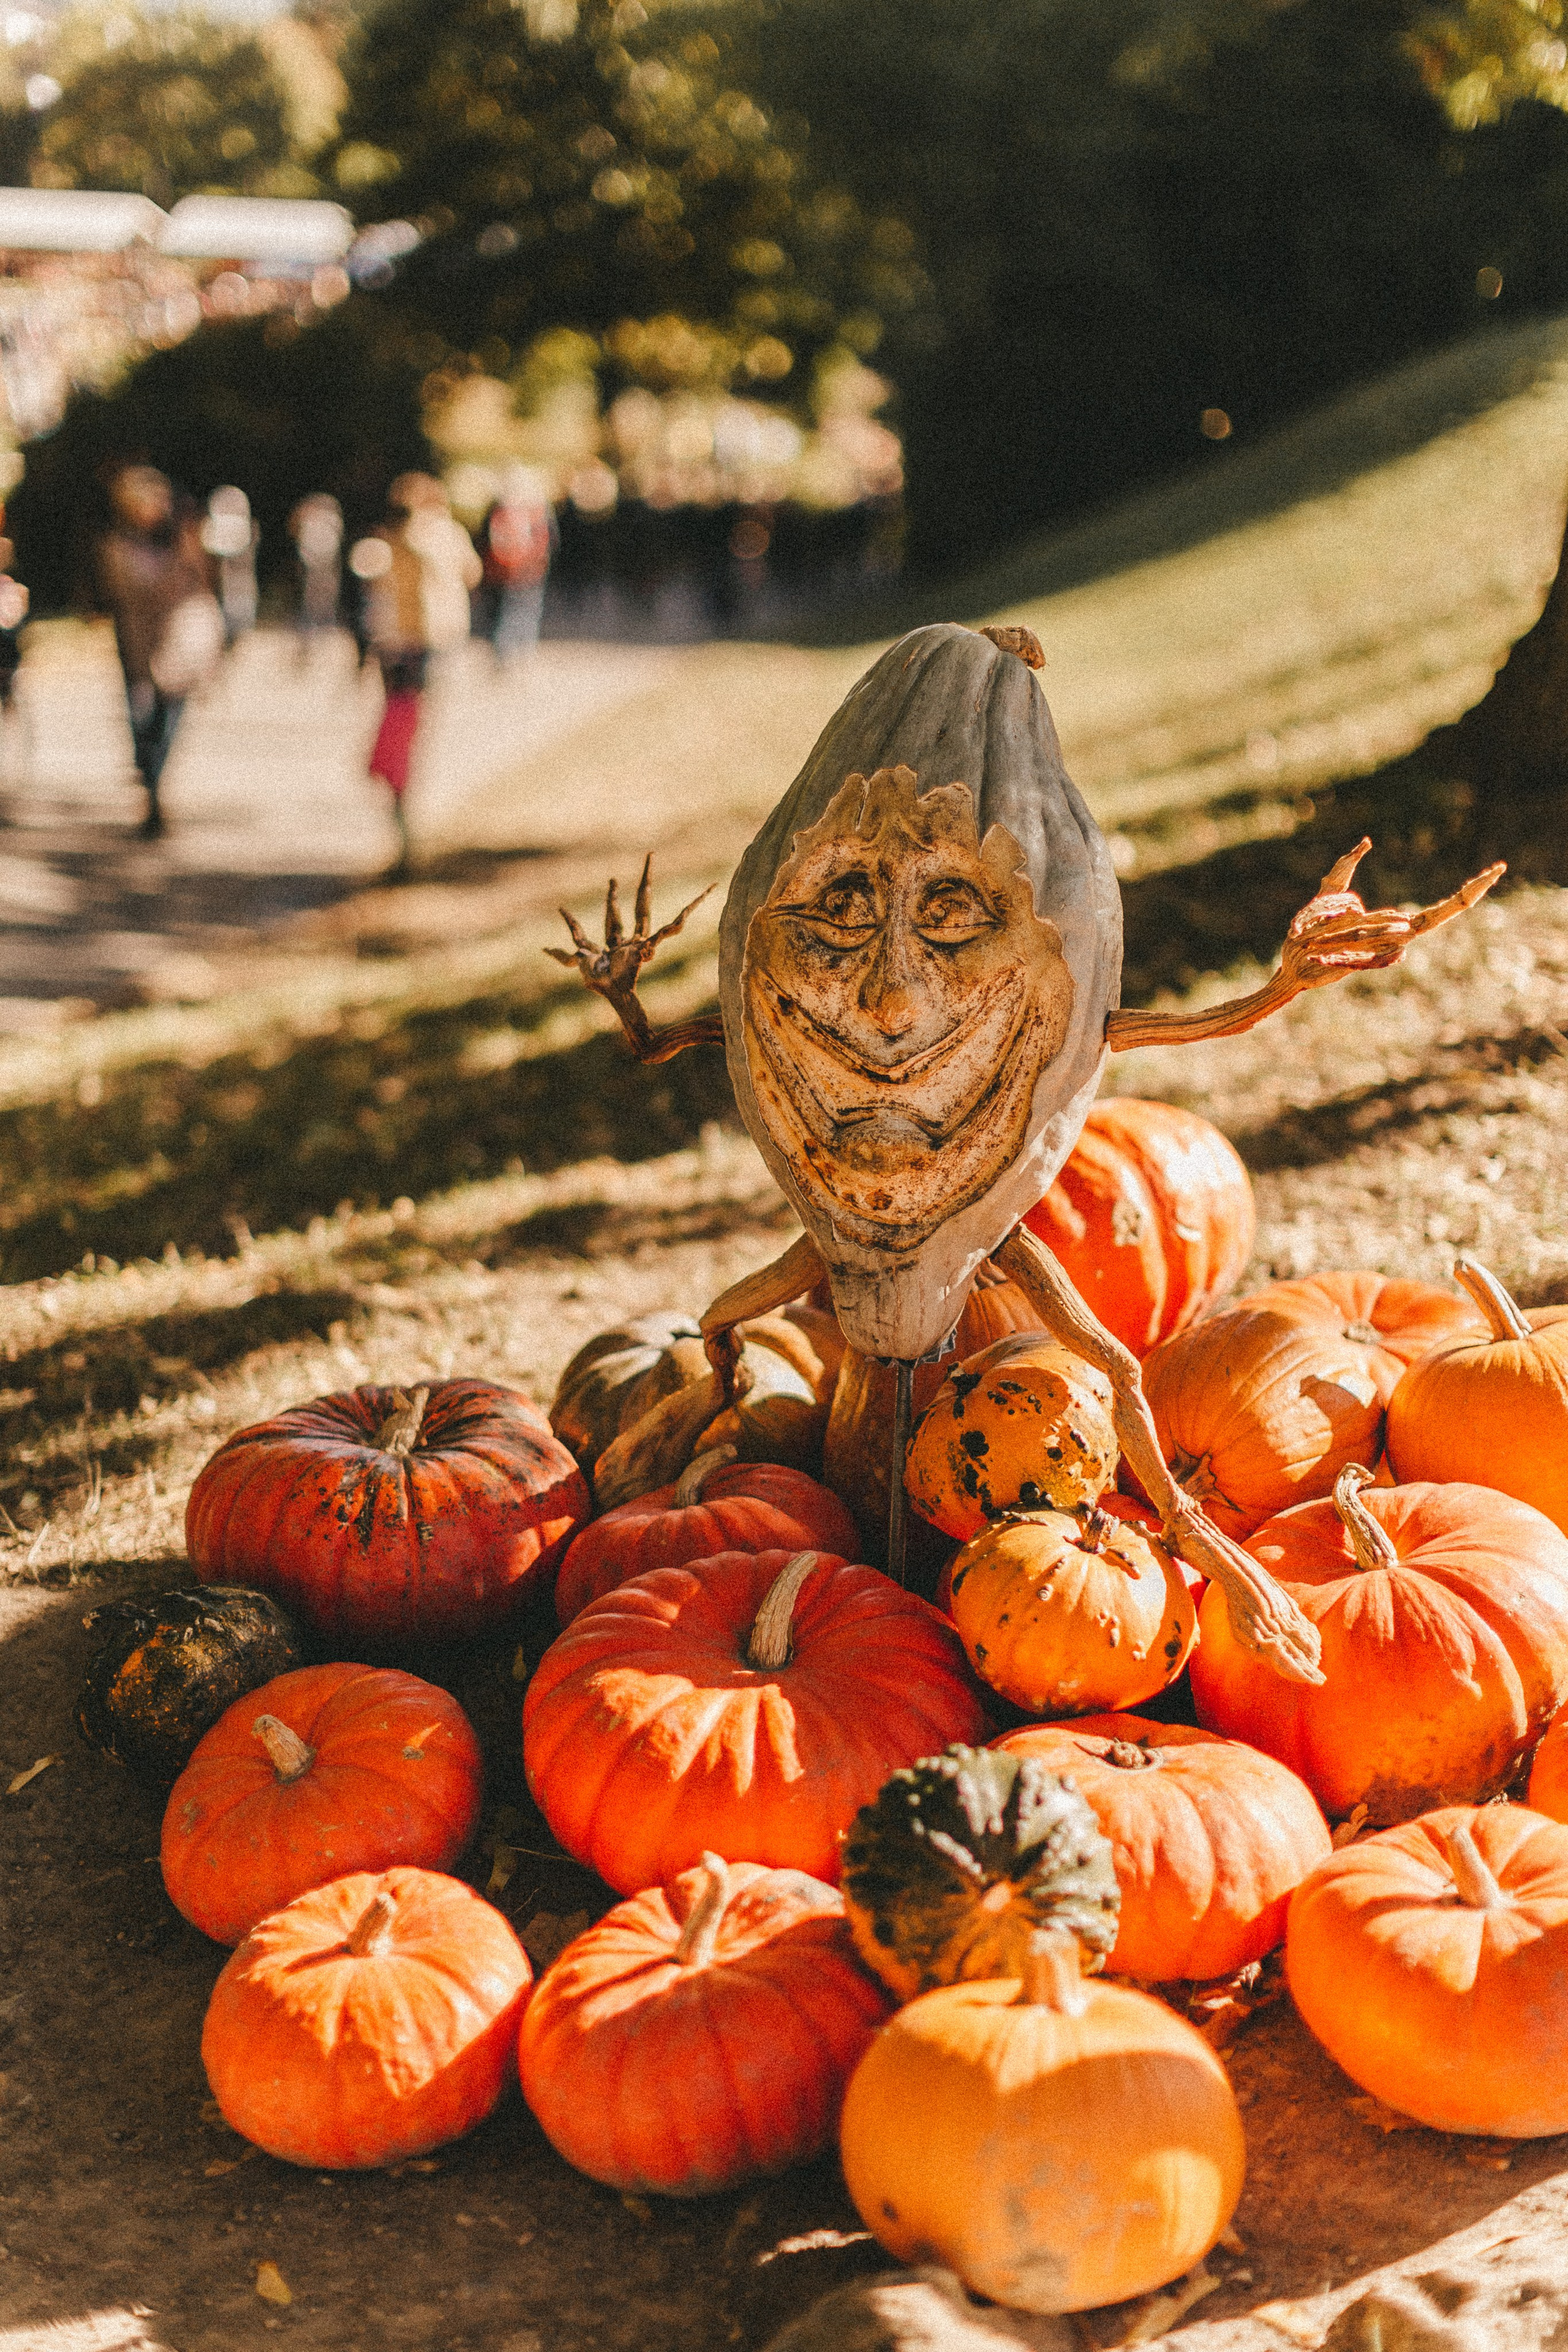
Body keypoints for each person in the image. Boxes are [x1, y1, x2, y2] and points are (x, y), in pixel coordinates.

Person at [355, 472, 479, 873]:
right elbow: (472, 573)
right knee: (409, 730)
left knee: (400, 727)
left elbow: (373, 589)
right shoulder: (444, 534)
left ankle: (401, 810)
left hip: (403, 643)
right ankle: (404, 817)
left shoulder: (391, 539)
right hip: (430, 642)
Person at [96, 465, 222, 839]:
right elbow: (115, 591)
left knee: (167, 717)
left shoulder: (182, 538)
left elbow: (201, 584)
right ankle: (150, 782)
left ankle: (154, 791)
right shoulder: (118, 545)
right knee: (140, 717)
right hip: (136, 640)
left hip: (175, 644)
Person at [474, 463, 555, 662]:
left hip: (499, 569)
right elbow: (551, 539)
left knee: (502, 611)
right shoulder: (537, 508)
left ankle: (502, 652)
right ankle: (524, 651)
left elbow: (483, 539)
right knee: (527, 611)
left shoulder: (497, 507)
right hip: (531, 569)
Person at [200, 485, 258, 644]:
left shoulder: (243, 527)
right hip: (221, 584)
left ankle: (236, 635)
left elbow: (240, 547)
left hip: (240, 584)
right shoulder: (215, 526)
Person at [290, 492, 343, 656]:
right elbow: (296, 533)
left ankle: (324, 638)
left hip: (327, 567)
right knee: (309, 603)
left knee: (327, 602)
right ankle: (308, 638)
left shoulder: (332, 520)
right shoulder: (308, 521)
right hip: (311, 567)